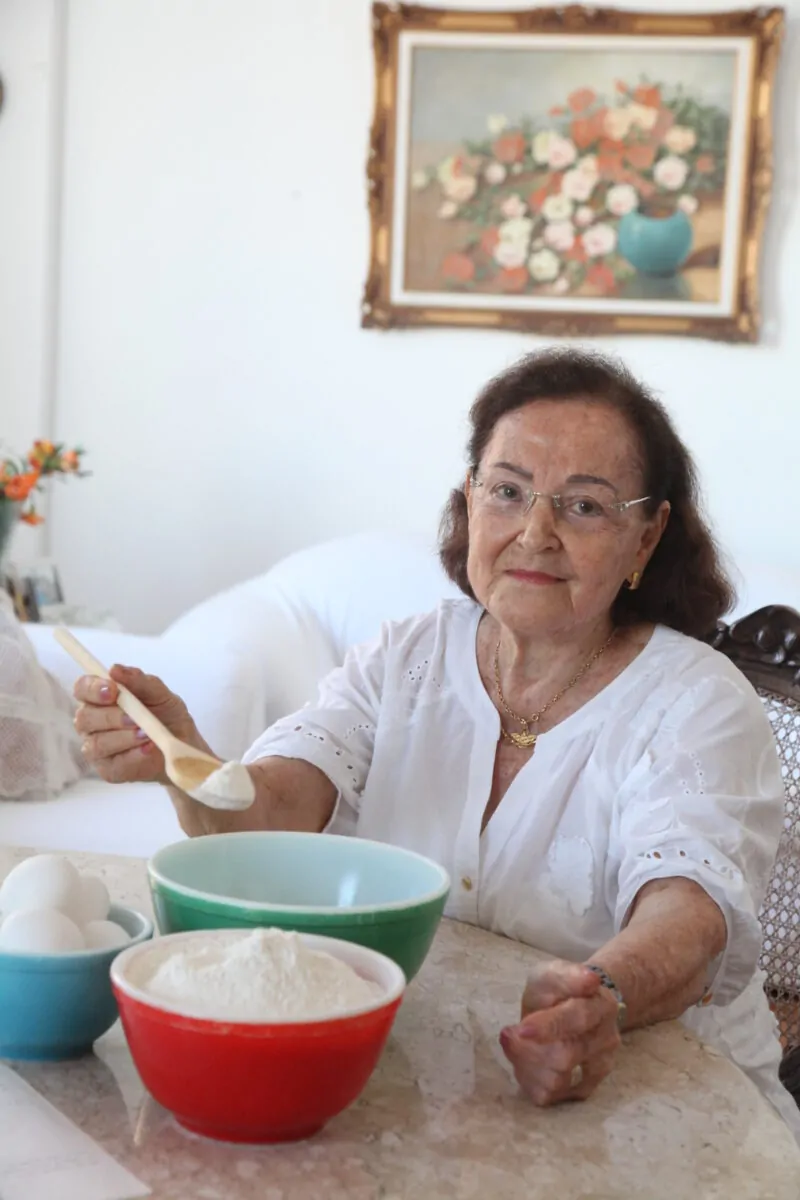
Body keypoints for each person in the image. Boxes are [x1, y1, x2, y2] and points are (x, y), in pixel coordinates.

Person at [74, 348, 799, 1137]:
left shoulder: (699, 701)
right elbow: (275, 807)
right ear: (469, 503)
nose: (536, 531)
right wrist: (182, 762)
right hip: (442, 1083)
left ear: (647, 536)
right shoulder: (407, 654)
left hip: (663, 1100)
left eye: (584, 506)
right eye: (509, 492)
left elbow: (688, 917)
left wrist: (601, 998)